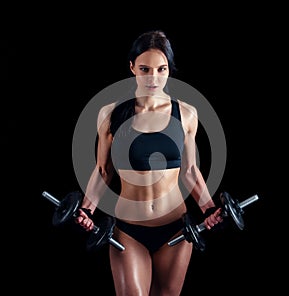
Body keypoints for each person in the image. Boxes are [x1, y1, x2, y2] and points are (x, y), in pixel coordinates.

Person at [75, 30, 223, 296]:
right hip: (128, 231)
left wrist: (210, 209)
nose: (153, 77)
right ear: (132, 67)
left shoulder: (186, 112)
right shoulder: (110, 113)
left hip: (176, 230)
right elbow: (103, 170)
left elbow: (190, 171)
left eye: (161, 69)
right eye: (145, 69)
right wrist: (87, 211)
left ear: (169, 69)